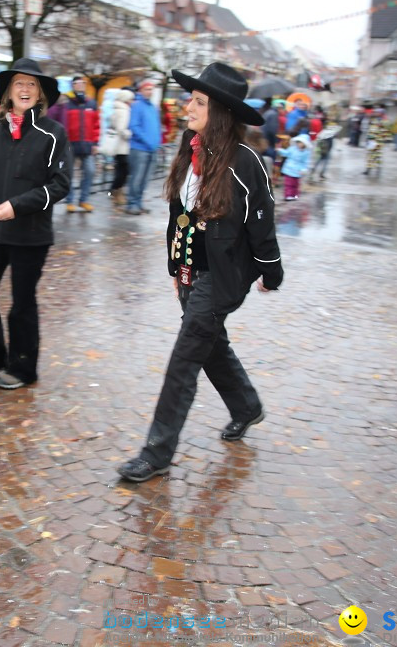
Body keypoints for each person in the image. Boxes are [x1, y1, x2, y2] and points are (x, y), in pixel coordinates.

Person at [117, 62, 283, 483]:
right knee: (208, 343)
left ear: (220, 111)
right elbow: (179, 211)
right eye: (191, 98)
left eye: (198, 101)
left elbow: (260, 220)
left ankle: (156, 453)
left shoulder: (245, 161)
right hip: (191, 267)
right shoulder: (190, 146)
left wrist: (270, 270)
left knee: (185, 357)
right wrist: (176, 265)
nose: (187, 106)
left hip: (224, 275)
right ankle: (246, 406)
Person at [0, 57, 71, 390]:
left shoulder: (53, 133)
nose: (24, 89)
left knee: (22, 302)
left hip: (31, 234)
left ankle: (24, 368)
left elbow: (60, 184)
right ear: (7, 92)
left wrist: (19, 206)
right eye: (18, 83)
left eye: (31, 84)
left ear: (40, 94)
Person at [51, 74, 99, 213]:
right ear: (73, 85)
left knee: (90, 171)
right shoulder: (67, 103)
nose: (80, 85)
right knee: (69, 174)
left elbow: (97, 124)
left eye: (82, 83)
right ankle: (70, 201)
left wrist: (96, 142)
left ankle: (84, 200)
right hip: (70, 144)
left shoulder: (91, 103)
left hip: (88, 144)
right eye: (77, 83)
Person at [126, 79, 162, 215]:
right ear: (141, 90)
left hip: (152, 149)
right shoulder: (137, 105)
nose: (150, 91)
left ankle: (139, 202)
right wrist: (147, 140)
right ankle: (131, 204)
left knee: (145, 179)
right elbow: (133, 126)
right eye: (147, 89)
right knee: (136, 178)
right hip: (139, 148)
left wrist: (157, 142)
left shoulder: (152, 107)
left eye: (151, 89)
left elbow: (157, 127)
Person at [107, 88, 134, 207]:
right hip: (122, 146)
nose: (132, 101)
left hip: (116, 146)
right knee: (124, 171)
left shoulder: (116, 108)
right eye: (131, 99)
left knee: (120, 170)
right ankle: (115, 191)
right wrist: (130, 134)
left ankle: (114, 191)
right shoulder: (124, 110)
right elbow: (121, 129)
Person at [280, 133, 311, 200]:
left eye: (300, 143)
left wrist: (304, 169)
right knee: (288, 183)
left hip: (297, 171)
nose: (299, 144)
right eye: (298, 142)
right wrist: (280, 151)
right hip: (289, 169)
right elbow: (287, 153)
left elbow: (305, 162)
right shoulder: (292, 149)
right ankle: (288, 195)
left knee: (295, 184)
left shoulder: (306, 153)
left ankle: (294, 195)